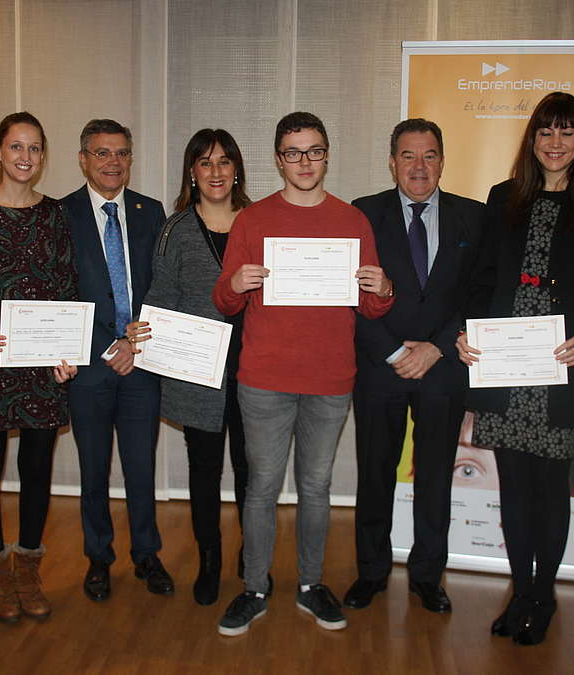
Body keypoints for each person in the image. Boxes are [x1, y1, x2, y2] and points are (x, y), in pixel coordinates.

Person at [457, 92, 574, 645]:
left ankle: (544, 594)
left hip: (558, 368)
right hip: (506, 367)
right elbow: (483, 281)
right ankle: (521, 589)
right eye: (545, 133)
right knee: (514, 489)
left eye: (567, 133)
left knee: (551, 490)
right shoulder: (504, 197)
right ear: (531, 140)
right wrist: (467, 335)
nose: (555, 144)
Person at [212, 111, 394, 636]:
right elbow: (223, 301)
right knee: (262, 488)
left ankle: (312, 585)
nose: (304, 161)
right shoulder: (252, 221)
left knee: (316, 488)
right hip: (264, 378)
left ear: (327, 156)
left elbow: (371, 308)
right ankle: (253, 587)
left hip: (331, 379)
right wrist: (236, 284)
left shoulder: (351, 222)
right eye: (294, 152)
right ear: (278, 159)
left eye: (314, 151)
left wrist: (383, 289)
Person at [345, 119, 484, 613]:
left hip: (443, 370)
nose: (419, 166)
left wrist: (436, 347)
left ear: (442, 161)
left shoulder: (475, 217)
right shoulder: (364, 213)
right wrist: (393, 351)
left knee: (434, 478)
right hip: (381, 368)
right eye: (408, 156)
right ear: (392, 162)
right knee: (375, 474)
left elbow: (480, 296)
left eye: (429, 155)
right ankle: (371, 572)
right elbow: (349, 295)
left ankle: (428, 575)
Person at [0, 112, 78, 623]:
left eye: (34, 148)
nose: (25, 157)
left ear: (43, 154)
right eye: (16, 147)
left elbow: (68, 285)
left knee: (36, 470)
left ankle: (28, 568)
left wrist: (68, 351)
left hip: (42, 364)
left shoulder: (55, 214)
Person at [61, 118, 173, 602]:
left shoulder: (152, 212)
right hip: (87, 368)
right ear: (83, 158)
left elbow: (163, 286)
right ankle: (98, 558)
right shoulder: (59, 213)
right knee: (93, 469)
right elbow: (56, 290)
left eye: (122, 153)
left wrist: (136, 344)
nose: (113, 162)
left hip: (141, 364)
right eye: (102, 153)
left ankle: (147, 554)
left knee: (141, 466)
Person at [141, 129, 251, 606]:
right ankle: (210, 561)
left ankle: (254, 553)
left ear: (236, 169)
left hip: (255, 373)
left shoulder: (258, 223)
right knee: (204, 474)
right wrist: (137, 336)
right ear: (192, 171)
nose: (216, 172)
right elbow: (160, 299)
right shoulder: (174, 229)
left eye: (224, 162)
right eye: (205, 163)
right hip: (197, 375)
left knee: (254, 471)